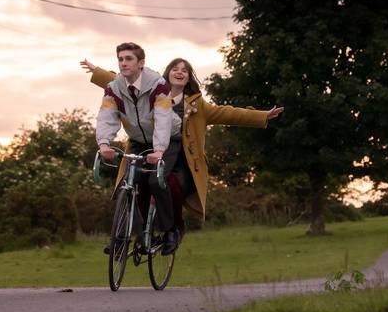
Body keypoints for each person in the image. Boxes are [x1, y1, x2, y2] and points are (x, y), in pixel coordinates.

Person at [84, 54, 284, 255]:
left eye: (184, 70)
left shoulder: (198, 106)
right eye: (175, 69)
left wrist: (262, 115)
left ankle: (173, 230)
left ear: (188, 78)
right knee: (135, 185)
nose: (179, 72)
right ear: (167, 74)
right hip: (149, 152)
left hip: (181, 161)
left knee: (168, 184)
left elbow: (229, 113)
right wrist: (97, 72)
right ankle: (136, 234)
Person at [95, 42, 184, 255]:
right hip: (138, 140)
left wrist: (160, 149)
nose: (123, 63)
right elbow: (107, 116)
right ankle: (126, 236)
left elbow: (163, 120)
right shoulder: (113, 87)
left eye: (129, 59)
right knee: (129, 183)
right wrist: (104, 143)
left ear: (141, 63)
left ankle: (170, 231)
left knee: (155, 181)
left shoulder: (158, 85)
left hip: (167, 139)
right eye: (120, 59)